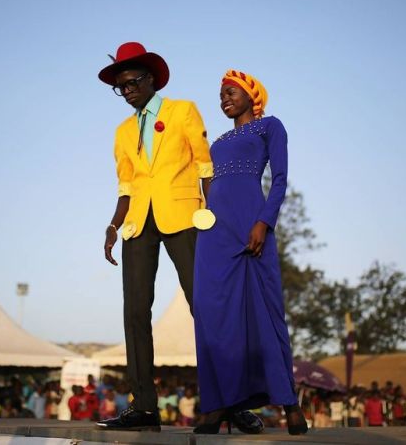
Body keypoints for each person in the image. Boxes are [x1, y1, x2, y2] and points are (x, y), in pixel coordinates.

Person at [95, 43, 263, 433]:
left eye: (133, 82)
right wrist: (113, 225)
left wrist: (220, 220)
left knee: (205, 307)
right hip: (138, 223)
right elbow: (126, 185)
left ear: (151, 79)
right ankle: (144, 408)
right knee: (135, 314)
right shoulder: (121, 132)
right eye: (121, 87)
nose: (128, 91)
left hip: (186, 217)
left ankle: (231, 402)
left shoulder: (182, 110)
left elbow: (206, 166)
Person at [192, 70, 308, 436]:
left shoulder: (269, 126)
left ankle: (289, 403)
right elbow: (206, 180)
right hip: (214, 230)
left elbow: (280, 179)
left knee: (266, 309)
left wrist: (264, 222)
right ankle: (217, 405)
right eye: (221, 94)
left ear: (250, 94)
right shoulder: (220, 140)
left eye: (230, 92)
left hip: (250, 222)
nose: (224, 98)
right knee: (211, 312)